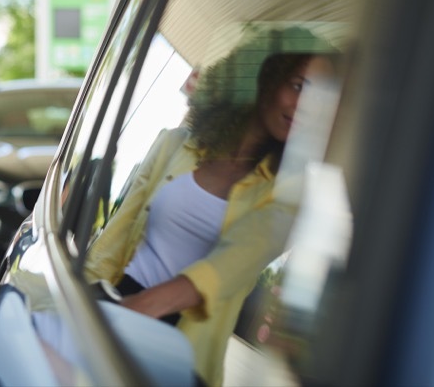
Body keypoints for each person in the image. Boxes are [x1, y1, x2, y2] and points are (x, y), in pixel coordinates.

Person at [83, 28, 336, 386]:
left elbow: (231, 264)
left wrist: (139, 310)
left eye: (322, 98)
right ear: (263, 77)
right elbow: (112, 242)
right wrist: (71, 308)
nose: (306, 107)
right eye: (298, 86)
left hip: (180, 349)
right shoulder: (174, 145)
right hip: (115, 300)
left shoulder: (291, 193)